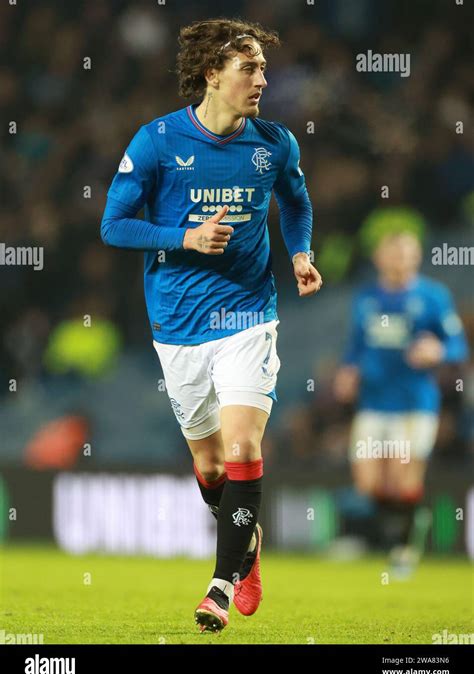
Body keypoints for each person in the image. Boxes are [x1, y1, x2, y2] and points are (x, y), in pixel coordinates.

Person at [101, 18, 322, 631]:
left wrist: (300, 253)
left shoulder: (274, 144)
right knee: (212, 468)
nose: (262, 79)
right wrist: (186, 237)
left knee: (244, 445)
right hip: (176, 321)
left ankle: (221, 585)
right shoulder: (155, 142)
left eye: (262, 68)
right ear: (211, 74)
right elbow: (114, 226)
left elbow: (296, 202)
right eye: (248, 68)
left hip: (249, 314)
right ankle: (245, 546)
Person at [334, 230, 467, 577]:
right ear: (379, 257)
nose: (400, 259)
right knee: (366, 482)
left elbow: (457, 345)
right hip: (374, 401)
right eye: (393, 252)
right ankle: (407, 526)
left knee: (402, 478)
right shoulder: (366, 298)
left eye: (406, 253)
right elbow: (356, 346)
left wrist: (437, 350)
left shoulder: (433, 296)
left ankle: (403, 549)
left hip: (414, 402)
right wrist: (348, 372)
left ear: (416, 257)